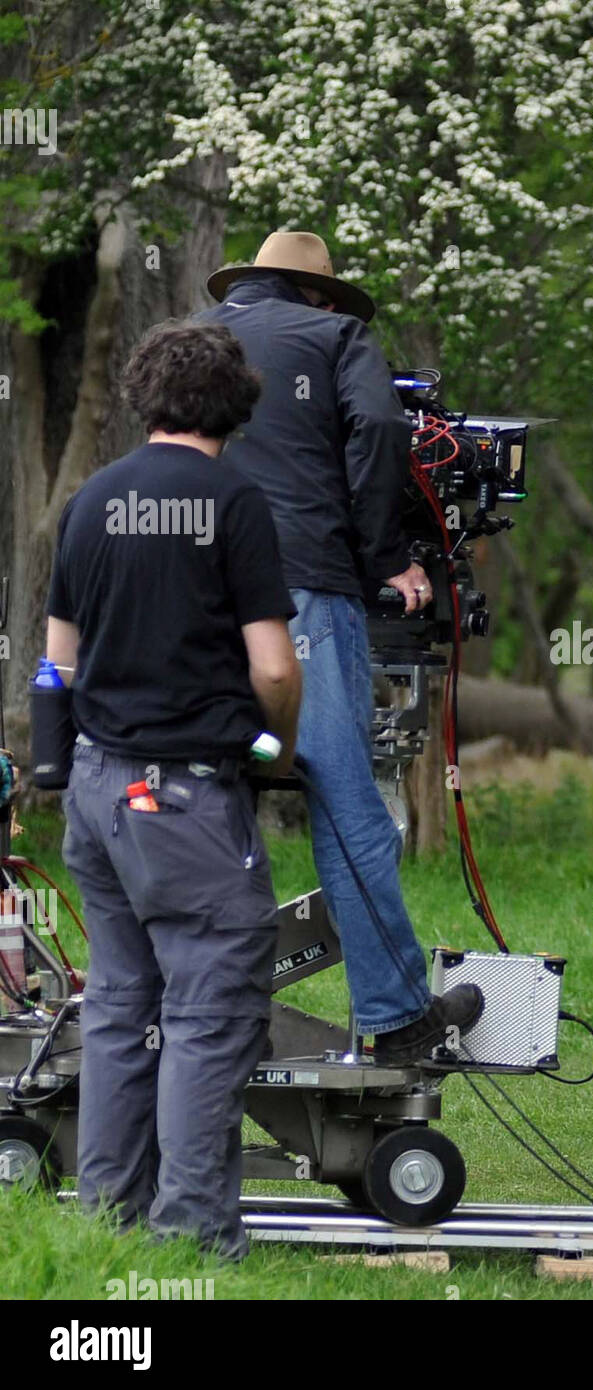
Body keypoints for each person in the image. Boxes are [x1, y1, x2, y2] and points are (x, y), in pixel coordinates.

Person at [197, 231, 482, 1064]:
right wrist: (383, 556)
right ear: (318, 295)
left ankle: (196, 1007)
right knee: (343, 793)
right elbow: (380, 434)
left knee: (209, 784)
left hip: (195, 595)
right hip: (303, 591)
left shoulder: (194, 334)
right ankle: (394, 1016)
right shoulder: (337, 338)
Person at [48, 320, 301, 1258]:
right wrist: (280, 747)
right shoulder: (235, 502)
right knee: (207, 1015)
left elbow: (55, 663)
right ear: (234, 403)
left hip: (96, 790)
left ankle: (105, 1222)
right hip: (187, 801)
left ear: (145, 397)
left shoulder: (91, 500)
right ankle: (191, 1238)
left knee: (120, 1008)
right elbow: (274, 667)